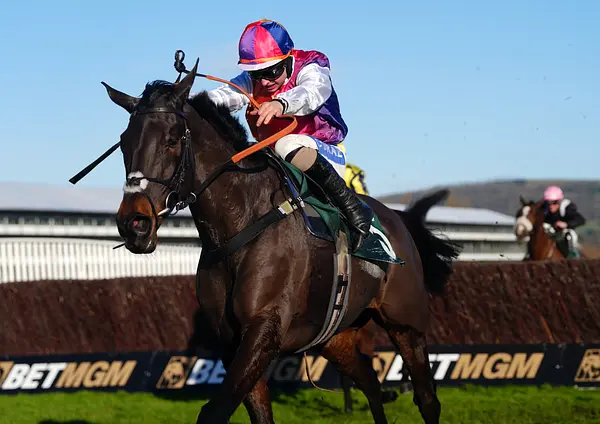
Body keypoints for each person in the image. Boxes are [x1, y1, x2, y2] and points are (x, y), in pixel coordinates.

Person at [193, 19, 373, 252]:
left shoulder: (311, 66)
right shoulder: (254, 81)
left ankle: (353, 207)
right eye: (256, 75)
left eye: (271, 72)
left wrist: (281, 103)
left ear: (288, 59)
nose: (264, 81)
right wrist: (181, 102)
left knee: (286, 144)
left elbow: (313, 92)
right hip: (278, 159)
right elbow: (222, 96)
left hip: (325, 152)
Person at [542, 185, 586, 258]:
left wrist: (566, 224)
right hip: (551, 232)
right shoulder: (544, 209)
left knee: (569, 235)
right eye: (549, 203)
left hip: (565, 233)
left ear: (559, 201)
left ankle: (572, 254)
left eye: (554, 202)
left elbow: (581, 220)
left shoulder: (567, 208)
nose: (551, 206)